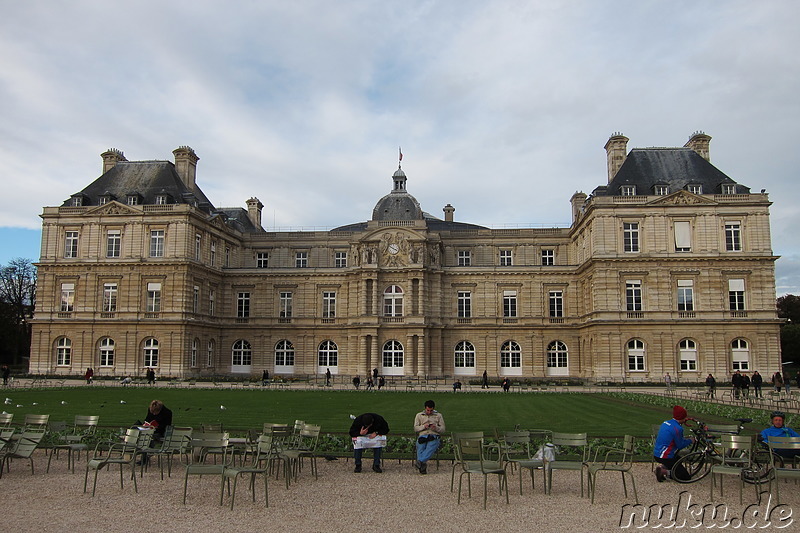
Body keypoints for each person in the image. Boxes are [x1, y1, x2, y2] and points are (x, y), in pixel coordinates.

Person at [654, 405, 695, 482]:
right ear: (682, 417)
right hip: (666, 456)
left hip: (657, 453)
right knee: (685, 477)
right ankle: (664, 472)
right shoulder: (678, 428)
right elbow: (680, 445)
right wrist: (690, 440)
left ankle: (663, 466)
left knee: (678, 459)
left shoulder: (666, 423)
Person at [413, 400, 445, 475]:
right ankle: (422, 465)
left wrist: (436, 428)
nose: (429, 412)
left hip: (433, 435)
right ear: (425, 408)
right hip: (423, 435)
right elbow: (415, 428)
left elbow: (443, 429)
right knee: (420, 447)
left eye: (431, 410)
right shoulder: (419, 415)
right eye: (428, 410)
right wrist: (424, 426)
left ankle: (420, 462)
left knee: (430, 447)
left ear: (433, 409)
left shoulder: (438, 415)